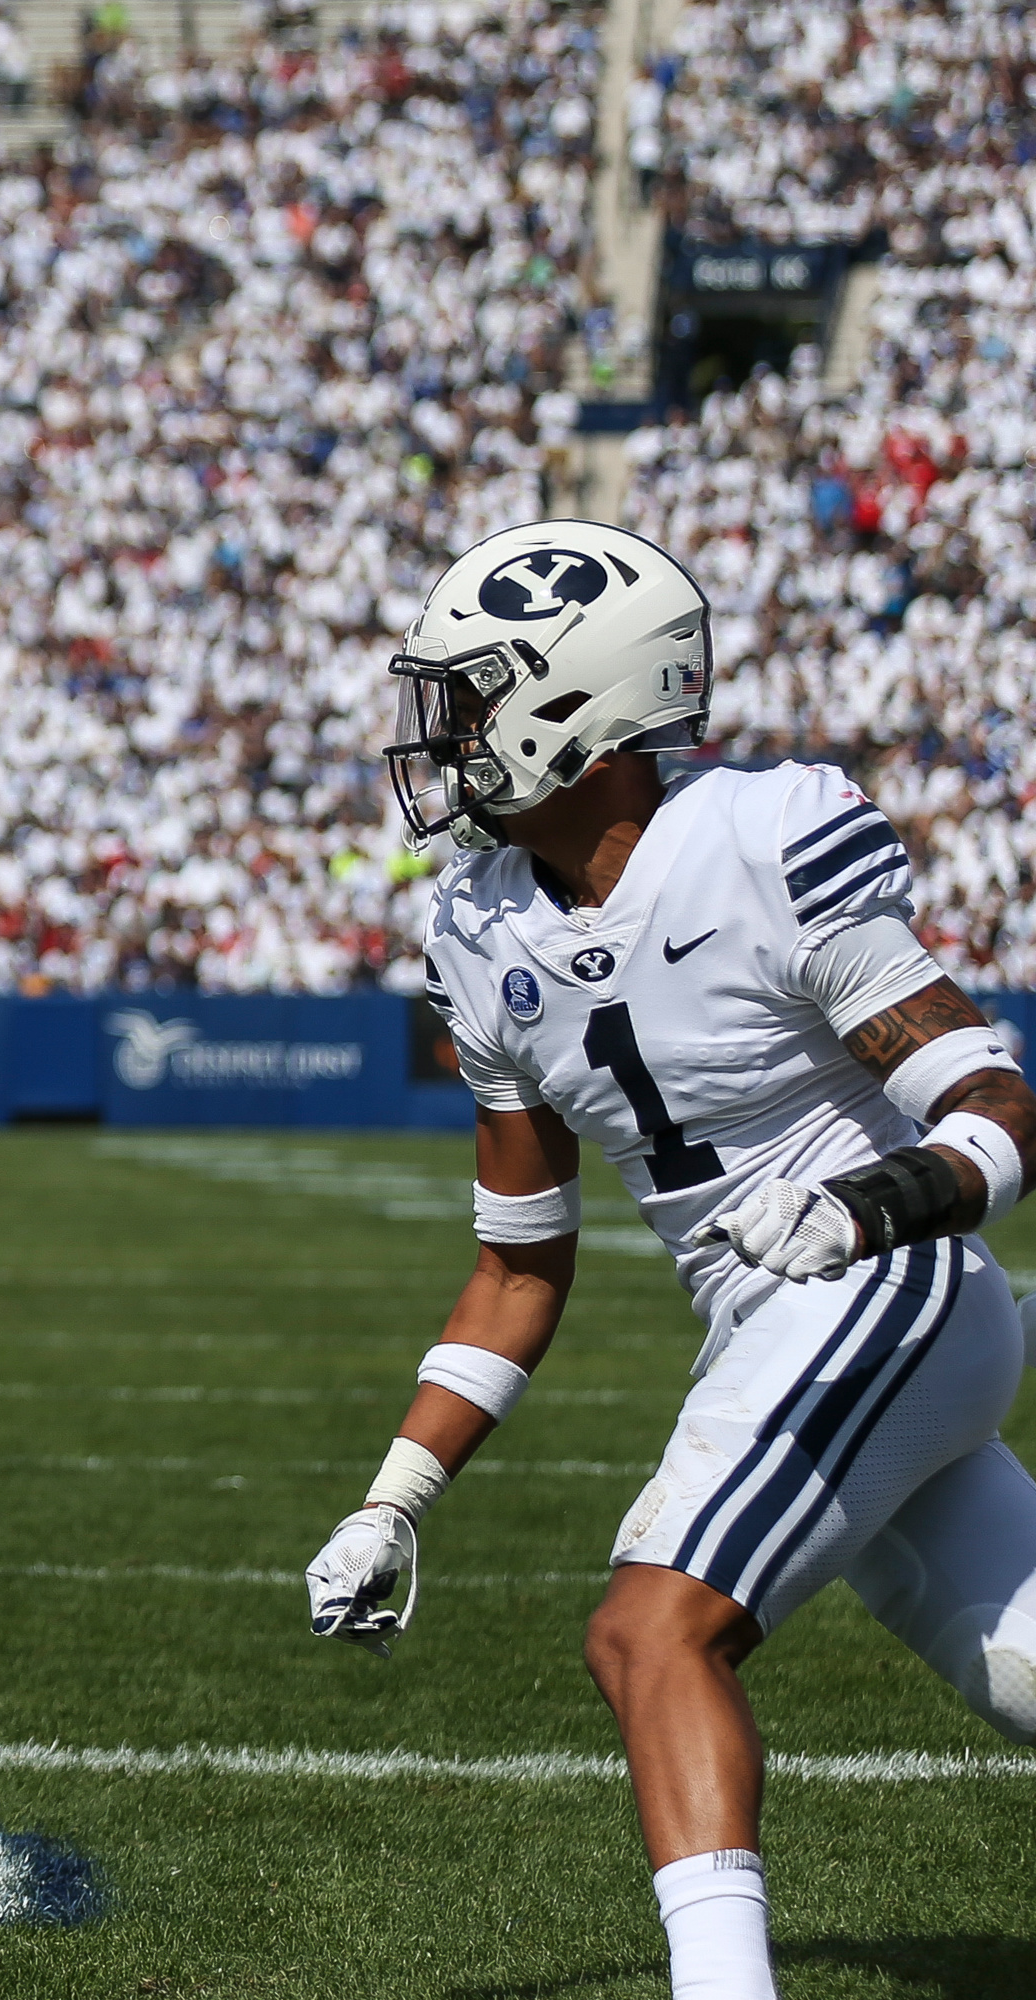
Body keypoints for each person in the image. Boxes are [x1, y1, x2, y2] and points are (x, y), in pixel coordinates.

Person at [304, 521, 1036, 2000]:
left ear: (578, 712)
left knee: (651, 1631)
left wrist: (869, 1207)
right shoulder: (475, 922)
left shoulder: (762, 837)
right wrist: (395, 1499)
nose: (440, 732)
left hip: (877, 1281)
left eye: (474, 694)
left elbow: (996, 1103)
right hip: (772, 1319)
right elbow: (517, 1265)